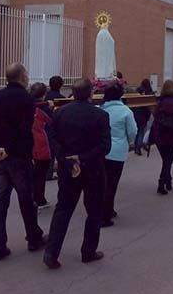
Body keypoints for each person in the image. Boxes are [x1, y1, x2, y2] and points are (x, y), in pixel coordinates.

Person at [0, 63, 47, 262]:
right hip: (18, 156)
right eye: (26, 74)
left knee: (0, 201)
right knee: (26, 199)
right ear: (22, 76)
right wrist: (8, 148)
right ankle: (34, 237)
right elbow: (23, 128)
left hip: (0, 157)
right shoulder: (26, 100)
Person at [44, 78, 111, 269]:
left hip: (67, 169)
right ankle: (88, 251)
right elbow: (105, 146)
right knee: (94, 211)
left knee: (63, 209)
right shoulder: (100, 116)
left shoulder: (60, 113)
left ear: (73, 93)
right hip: (93, 170)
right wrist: (81, 158)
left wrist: (66, 157)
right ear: (90, 93)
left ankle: (51, 252)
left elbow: (53, 139)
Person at [99, 82, 137, 226]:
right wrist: (128, 141)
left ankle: (104, 209)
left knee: (102, 182)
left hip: (101, 150)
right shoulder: (126, 111)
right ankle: (106, 214)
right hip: (117, 151)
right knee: (112, 184)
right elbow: (132, 131)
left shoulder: (101, 109)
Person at [149, 80, 173, 194]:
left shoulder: (159, 103)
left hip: (160, 135)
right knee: (169, 159)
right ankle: (162, 182)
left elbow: (154, 115)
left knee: (166, 159)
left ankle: (168, 180)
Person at [30, 82, 54, 210]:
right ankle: (39, 199)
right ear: (44, 94)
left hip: (26, 143)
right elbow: (52, 121)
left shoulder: (25, 105)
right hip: (40, 143)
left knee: (32, 173)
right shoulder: (43, 108)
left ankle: (32, 198)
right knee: (40, 173)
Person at [133, 78, 154, 155]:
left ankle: (136, 147)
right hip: (143, 116)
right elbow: (148, 108)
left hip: (136, 115)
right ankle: (139, 147)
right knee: (142, 131)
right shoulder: (148, 95)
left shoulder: (136, 95)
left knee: (137, 132)